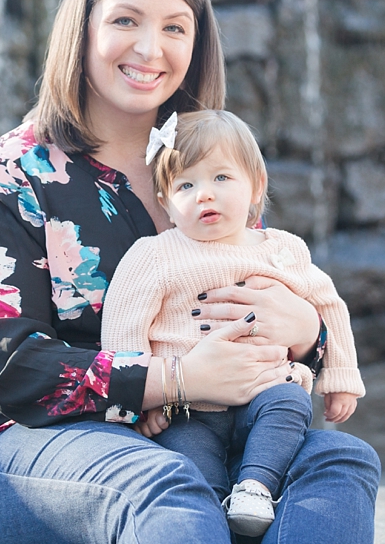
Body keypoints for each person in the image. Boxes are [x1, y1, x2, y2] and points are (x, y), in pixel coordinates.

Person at [0, 0, 380, 544]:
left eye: (176, 27)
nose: (151, 48)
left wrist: (309, 334)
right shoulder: (10, 177)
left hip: (211, 426)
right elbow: (10, 366)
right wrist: (178, 380)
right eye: (126, 20)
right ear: (83, 28)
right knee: (166, 486)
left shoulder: (205, 170)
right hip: (20, 443)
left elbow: (252, 310)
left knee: (340, 464)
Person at [100, 109, 366, 537]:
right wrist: (140, 405)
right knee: (192, 468)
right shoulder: (156, 254)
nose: (205, 195)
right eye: (187, 185)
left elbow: (328, 304)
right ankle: (216, 515)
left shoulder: (281, 250)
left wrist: (340, 375)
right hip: (185, 409)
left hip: (261, 391)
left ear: (256, 186)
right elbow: (124, 325)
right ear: (166, 202)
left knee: (290, 403)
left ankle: (255, 488)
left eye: (222, 178)